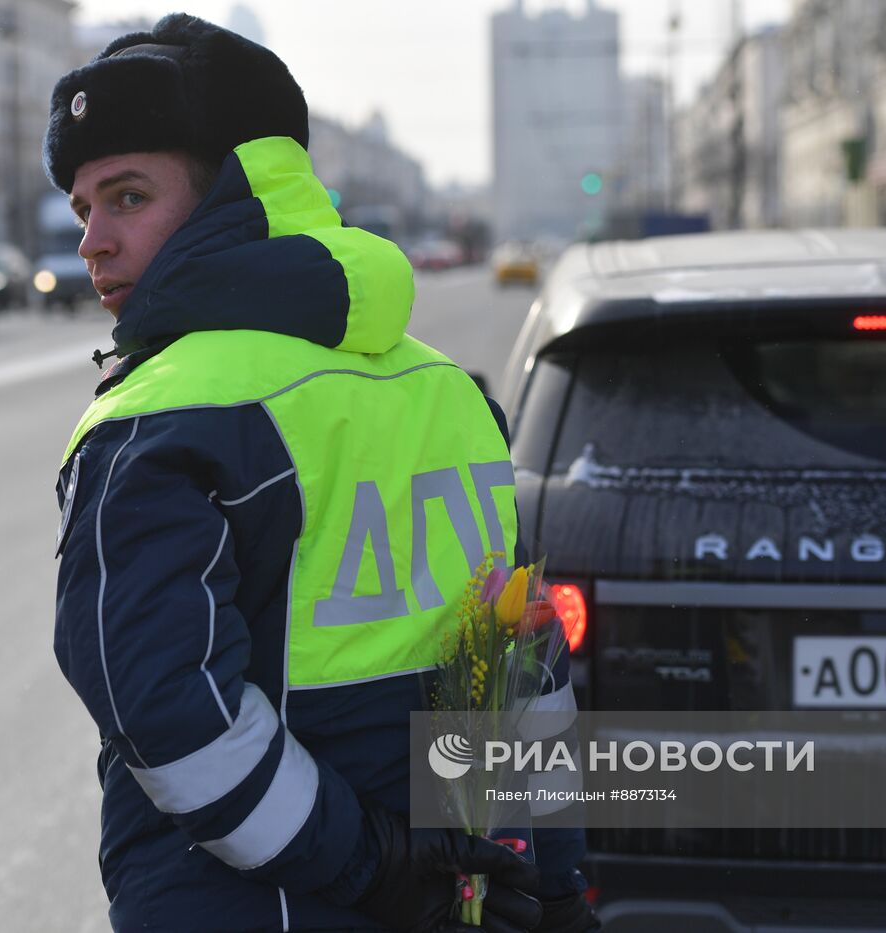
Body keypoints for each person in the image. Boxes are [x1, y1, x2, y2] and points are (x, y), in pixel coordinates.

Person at [45, 14, 599, 932]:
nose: (91, 240)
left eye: (129, 196)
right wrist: (560, 884)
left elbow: (173, 718)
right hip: (467, 902)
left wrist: (381, 868)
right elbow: (526, 672)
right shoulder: (451, 394)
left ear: (240, 192)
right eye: (83, 207)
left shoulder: (160, 421)